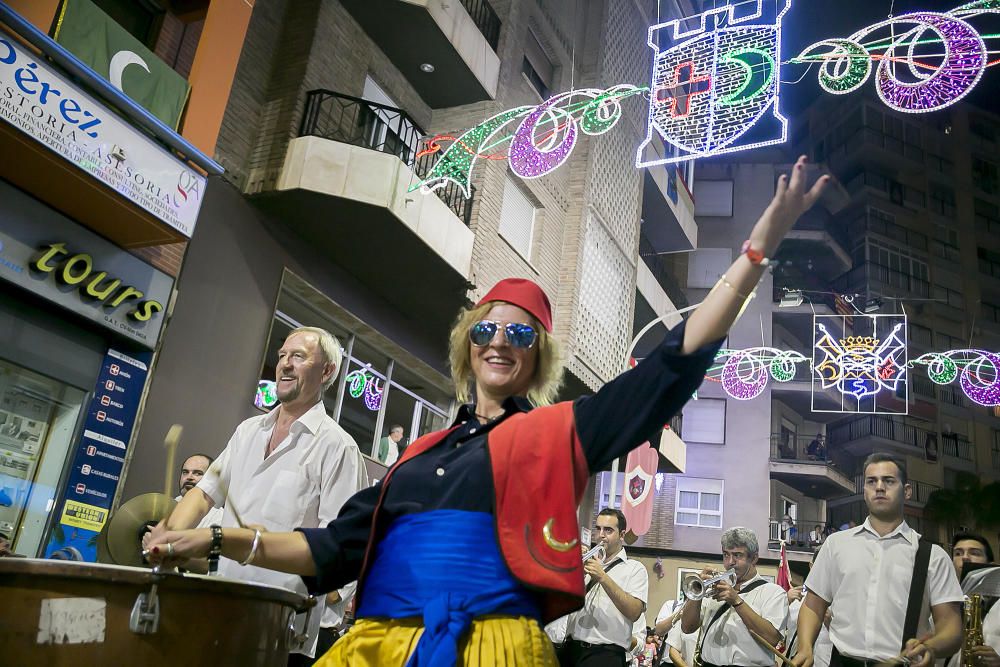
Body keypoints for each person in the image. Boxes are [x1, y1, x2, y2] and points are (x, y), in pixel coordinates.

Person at [146, 157, 830, 666]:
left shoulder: (562, 430)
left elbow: (673, 361)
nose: (500, 339)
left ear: (539, 355)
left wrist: (758, 246)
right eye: (485, 328)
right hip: (374, 647)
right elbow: (326, 550)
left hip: (493, 650)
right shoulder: (414, 457)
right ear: (465, 344)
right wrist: (212, 540)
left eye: (520, 332)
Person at [148, 326, 368, 666]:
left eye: (298, 356)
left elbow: (337, 546)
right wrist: (172, 537)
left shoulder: (338, 447)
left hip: (283, 627)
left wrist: (325, 599)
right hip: (221, 607)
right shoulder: (248, 431)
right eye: (281, 356)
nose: (285, 365)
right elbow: (205, 494)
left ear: (327, 371)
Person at [792, 453, 964, 667]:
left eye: (889, 481)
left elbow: (951, 627)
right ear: (864, 491)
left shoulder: (933, 556)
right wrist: (805, 647)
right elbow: (812, 607)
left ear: (907, 491)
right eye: (872, 481)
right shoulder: (836, 544)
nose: (879, 487)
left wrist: (931, 647)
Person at [681, 526, 788, 667]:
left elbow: (773, 639)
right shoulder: (715, 587)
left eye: (737, 555)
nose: (729, 562)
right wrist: (697, 595)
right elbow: (687, 628)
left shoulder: (774, 592)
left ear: (754, 558)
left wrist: (737, 601)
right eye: (726, 554)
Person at [561, 508, 649, 666]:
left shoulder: (635, 569)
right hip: (571, 649)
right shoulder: (586, 563)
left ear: (622, 535)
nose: (601, 535)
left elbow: (635, 612)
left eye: (608, 530)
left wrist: (602, 576)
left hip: (605, 655)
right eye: (598, 529)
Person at [947, 533, 999, 667]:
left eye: (974, 553)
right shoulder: (941, 603)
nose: (964, 558)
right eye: (958, 553)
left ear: (991, 565)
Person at [175, 453, 223, 528]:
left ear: (211, 479)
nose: (189, 477)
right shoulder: (169, 506)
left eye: (198, 473)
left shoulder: (219, 517)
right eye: (185, 472)